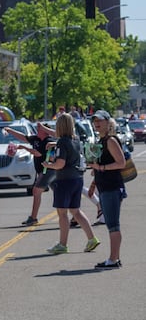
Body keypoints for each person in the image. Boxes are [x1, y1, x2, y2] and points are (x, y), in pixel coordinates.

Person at [42, 113, 101, 256]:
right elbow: (69, 149)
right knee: (75, 211)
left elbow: (60, 164)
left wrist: (48, 165)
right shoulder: (76, 140)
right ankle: (92, 238)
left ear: (60, 127)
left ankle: (62, 244)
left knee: (62, 213)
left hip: (64, 181)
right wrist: (55, 144)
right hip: (77, 179)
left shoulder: (62, 142)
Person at [88, 115, 128, 269]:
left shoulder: (111, 140)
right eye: (95, 121)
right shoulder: (101, 141)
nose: (97, 123)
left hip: (112, 187)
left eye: (100, 121)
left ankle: (112, 260)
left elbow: (121, 163)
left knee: (113, 225)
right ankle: (114, 258)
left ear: (108, 123)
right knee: (111, 225)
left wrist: (102, 168)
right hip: (105, 187)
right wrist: (94, 184)